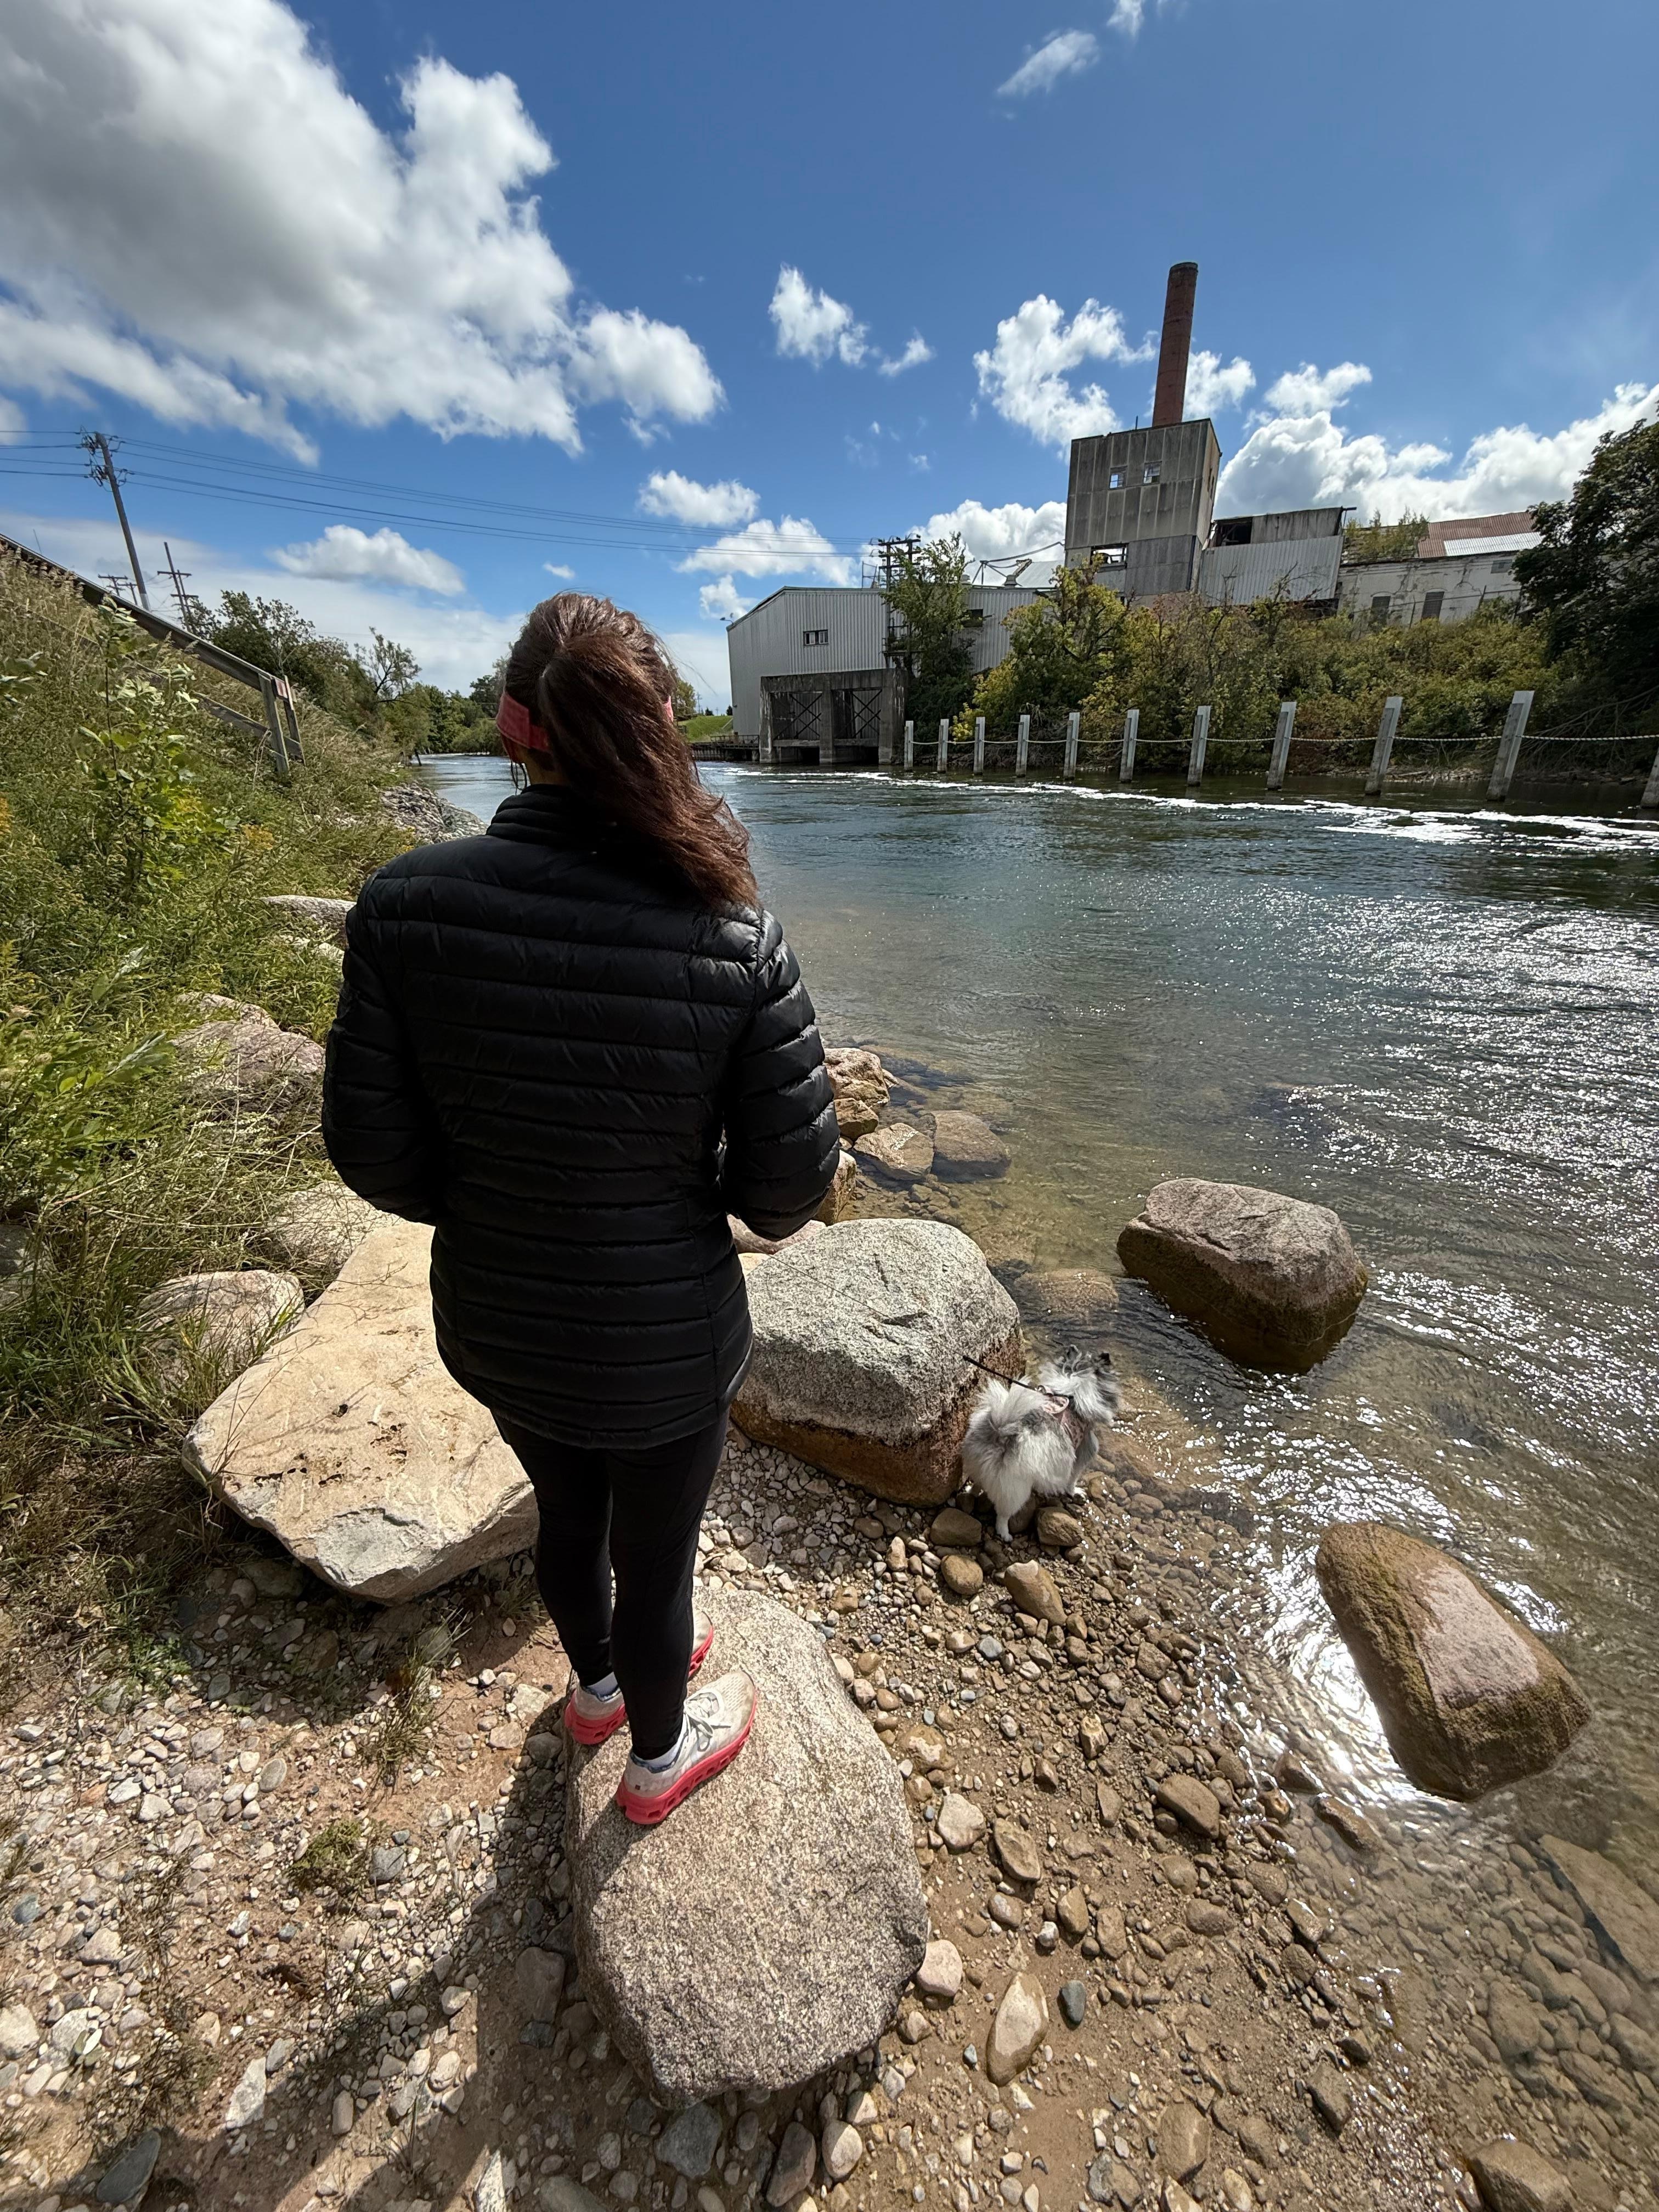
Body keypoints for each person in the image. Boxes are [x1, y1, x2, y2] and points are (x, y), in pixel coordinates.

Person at [321, 594, 838, 1822]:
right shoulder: (735, 934)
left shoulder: (402, 906)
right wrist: (679, 1210)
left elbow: (370, 1153)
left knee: (568, 1515)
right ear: (666, 730)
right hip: (667, 1340)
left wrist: (497, 1197)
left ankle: (598, 1693)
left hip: (498, 1315)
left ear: (514, 732)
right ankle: (656, 1765)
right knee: (657, 1562)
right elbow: (787, 1187)